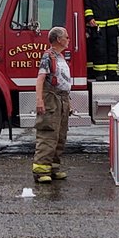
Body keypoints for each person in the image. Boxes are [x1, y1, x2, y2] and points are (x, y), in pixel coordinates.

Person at [32, 25, 72, 184]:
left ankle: (53, 168)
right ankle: (41, 170)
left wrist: (68, 101)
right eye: (66, 37)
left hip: (62, 98)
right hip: (51, 98)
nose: (69, 40)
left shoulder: (60, 57)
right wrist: (39, 100)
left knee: (60, 135)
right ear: (58, 39)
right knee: (48, 133)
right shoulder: (48, 57)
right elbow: (40, 78)